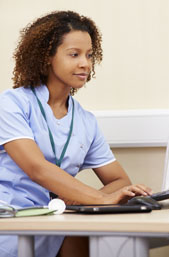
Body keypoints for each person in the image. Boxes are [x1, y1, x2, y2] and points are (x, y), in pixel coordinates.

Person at [0, 10, 152, 257]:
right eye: (74, 54)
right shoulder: (12, 104)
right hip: (11, 224)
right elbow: (37, 168)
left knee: (80, 234)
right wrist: (100, 199)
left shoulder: (85, 120)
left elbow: (119, 180)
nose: (85, 63)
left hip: (57, 223)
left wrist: (81, 200)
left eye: (89, 55)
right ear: (47, 57)